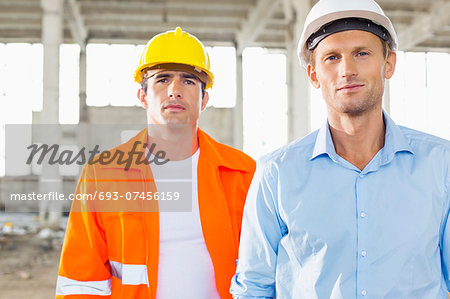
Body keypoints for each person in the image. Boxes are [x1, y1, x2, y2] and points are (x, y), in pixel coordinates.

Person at [230, 0, 450, 298]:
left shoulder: (441, 165)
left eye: (362, 53)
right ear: (313, 75)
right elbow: (254, 288)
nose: (346, 69)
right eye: (332, 57)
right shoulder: (276, 174)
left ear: (389, 64)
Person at [56, 27, 255, 299]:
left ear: (204, 98)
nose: (174, 90)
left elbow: (264, 271)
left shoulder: (244, 172)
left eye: (188, 81)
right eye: (162, 79)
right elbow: (81, 281)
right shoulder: (103, 174)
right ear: (143, 96)